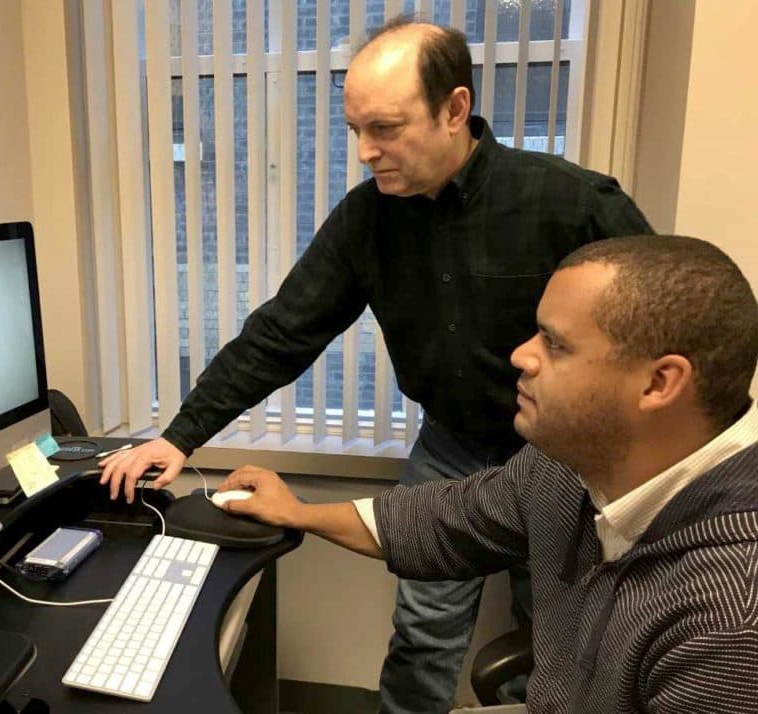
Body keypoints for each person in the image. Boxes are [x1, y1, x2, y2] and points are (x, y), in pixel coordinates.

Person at [99, 18, 653, 712]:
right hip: (451, 444)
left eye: (385, 128)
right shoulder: (368, 219)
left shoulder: (573, 204)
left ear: (455, 109)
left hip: (564, 460)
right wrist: (180, 434)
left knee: (550, 639)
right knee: (423, 633)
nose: (365, 151)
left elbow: (662, 335)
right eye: (356, 129)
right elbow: (282, 332)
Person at [218, 235, 758, 712]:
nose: (520, 356)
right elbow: (452, 518)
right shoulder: (570, 464)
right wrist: (301, 513)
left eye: (555, 343)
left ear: (660, 383)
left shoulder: (730, 625)